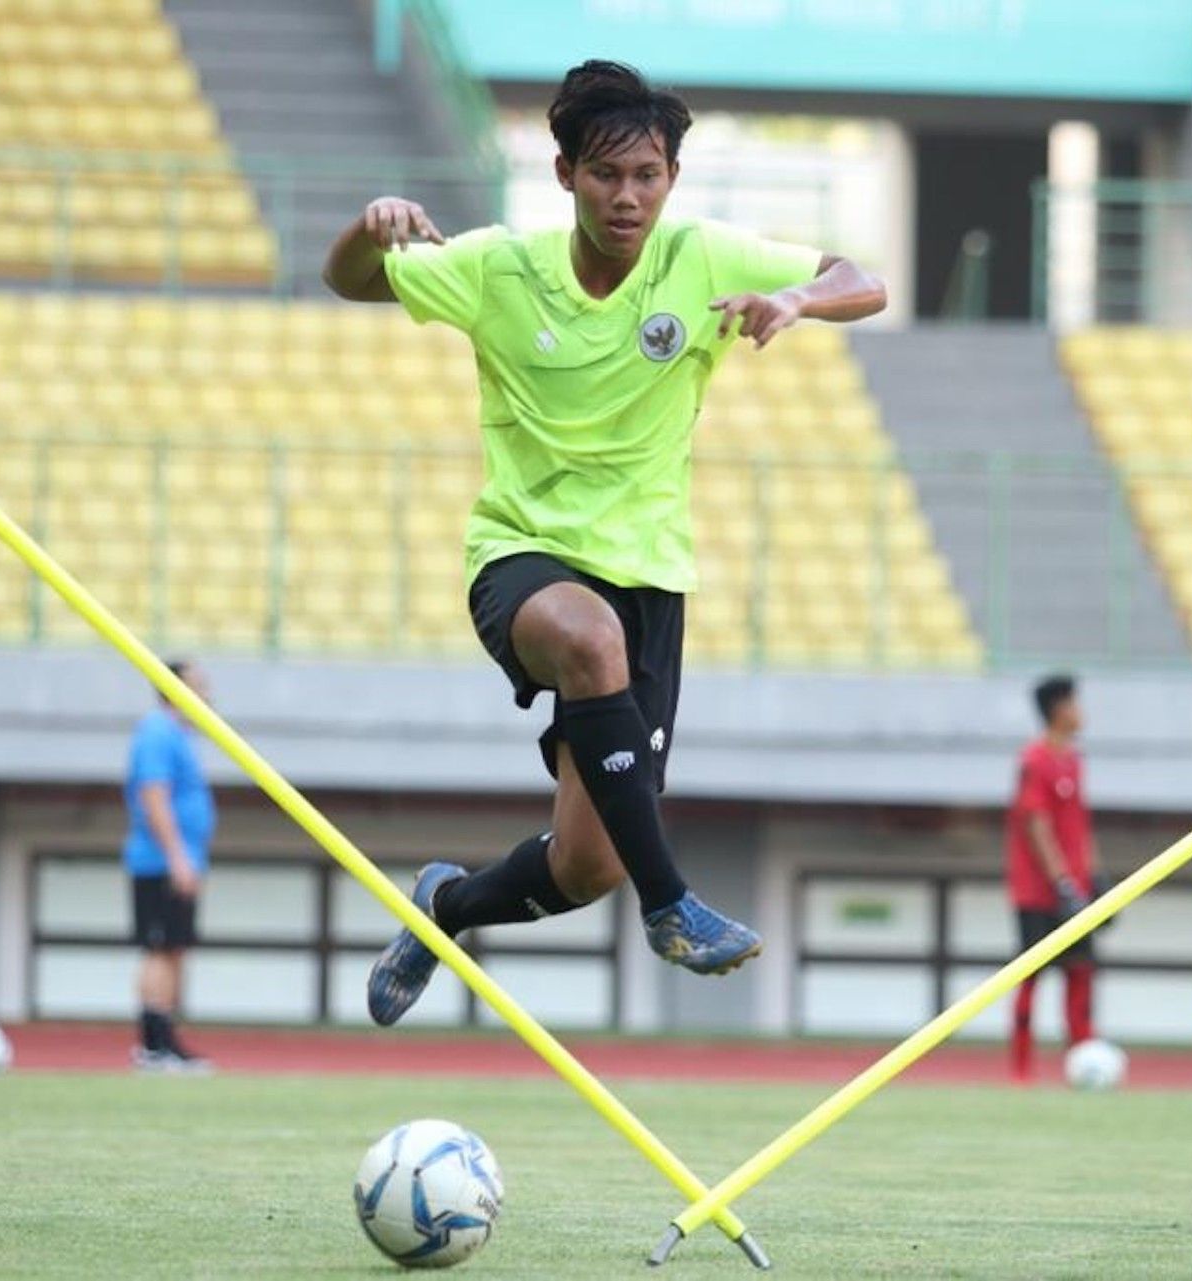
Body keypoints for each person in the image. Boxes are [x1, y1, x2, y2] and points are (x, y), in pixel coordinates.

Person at [326, 60, 887, 1025]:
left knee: (585, 866)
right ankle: (671, 905)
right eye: (605, 175)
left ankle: (443, 906)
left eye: (648, 177)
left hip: (650, 579)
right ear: (563, 175)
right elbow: (349, 282)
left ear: (671, 179)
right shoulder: (502, 268)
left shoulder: (706, 256)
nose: (628, 198)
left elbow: (863, 279)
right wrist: (365, 229)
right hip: (523, 558)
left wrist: (797, 301)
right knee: (588, 642)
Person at [1005, 674, 1103, 1082]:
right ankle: (1021, 1071)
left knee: (1082, 972)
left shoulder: (1075, 761)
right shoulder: (1034, 760)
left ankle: (1083, 1061)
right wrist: (1061, 881)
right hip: (1038, 894)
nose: (1081, 712)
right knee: (1031, 976)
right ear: (1059, 710)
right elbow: (1036, 824)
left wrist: (1095, 876)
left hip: (1076, 889)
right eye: (1075, 704)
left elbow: (1080, 825)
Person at [124, 659, 216, 1072]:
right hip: (160, 861)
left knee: (174, 948)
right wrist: (177, 856)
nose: (207, 694)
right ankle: (153, 1044)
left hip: (179, 859)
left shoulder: (178, 735)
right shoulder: (157, 731)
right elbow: (154, 796)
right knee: (159, 948)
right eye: (198, 685)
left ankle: (167, 1037)